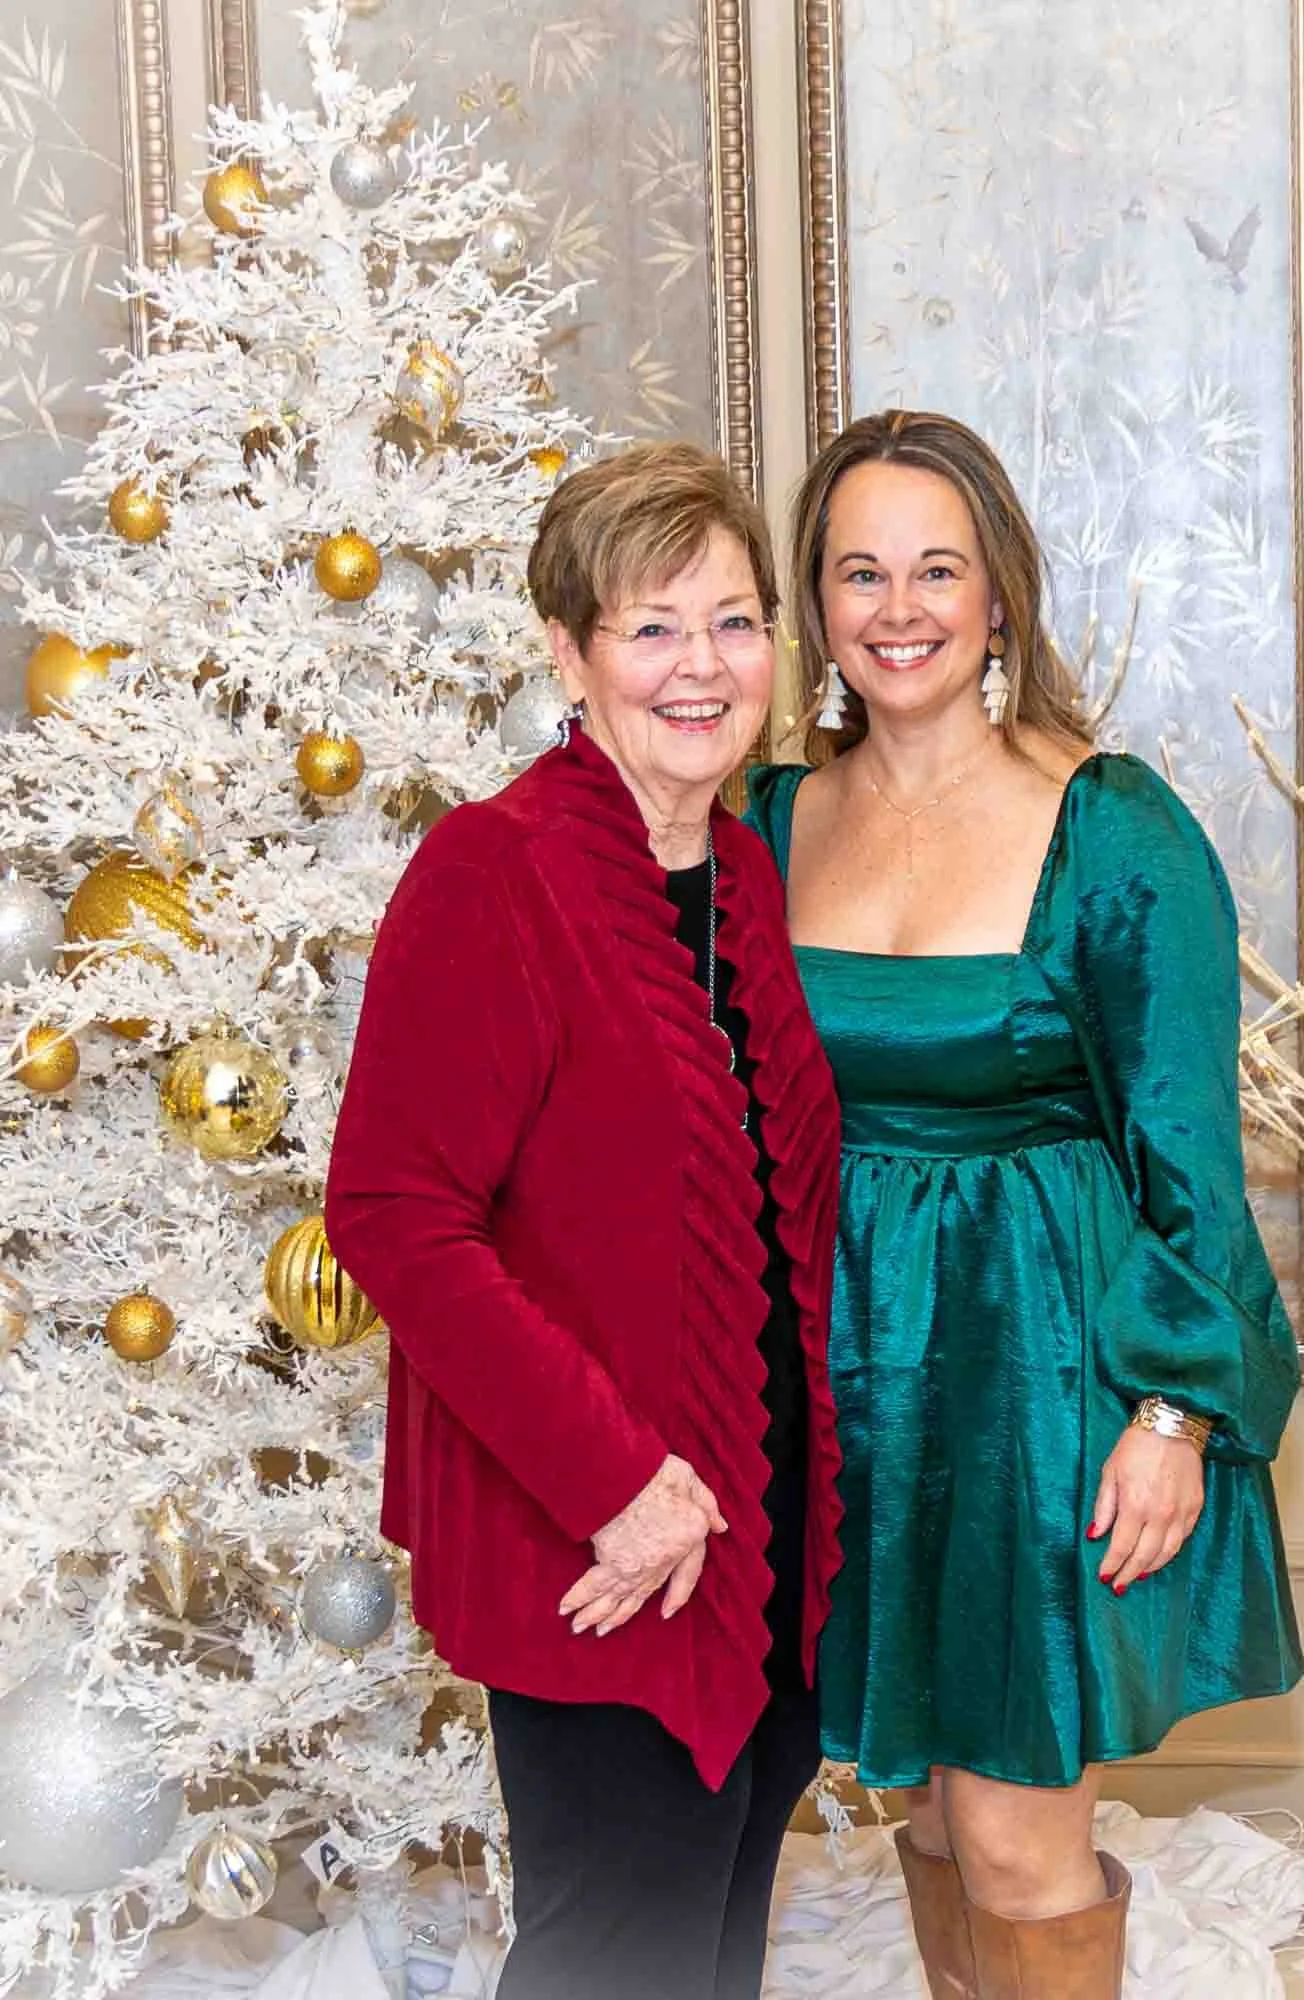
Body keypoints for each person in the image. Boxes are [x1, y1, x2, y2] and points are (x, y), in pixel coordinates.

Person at [746, 409, 1304, 2000]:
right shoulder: (775, 819)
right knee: (916, 1807)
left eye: (939, 568)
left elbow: (1191, 1152)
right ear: (819, 603)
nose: (900, 607)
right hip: (842, 1378)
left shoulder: (1114, 829)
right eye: (861, 573)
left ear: (1002, 596)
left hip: (1042, 1386)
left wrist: (1175, 1417)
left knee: (1014, 1837)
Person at [325, 441, 843, 2000]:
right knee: (615, 1959)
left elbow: (761, 1222)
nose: (706, 666)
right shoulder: (494, 870)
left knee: (713, 1954)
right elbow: (394, 1213)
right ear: (570, 651)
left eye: (737, 620)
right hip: (606, 1551)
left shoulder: (741, 875)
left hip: (756, 1542)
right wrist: (618, 1484)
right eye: (654, 625)